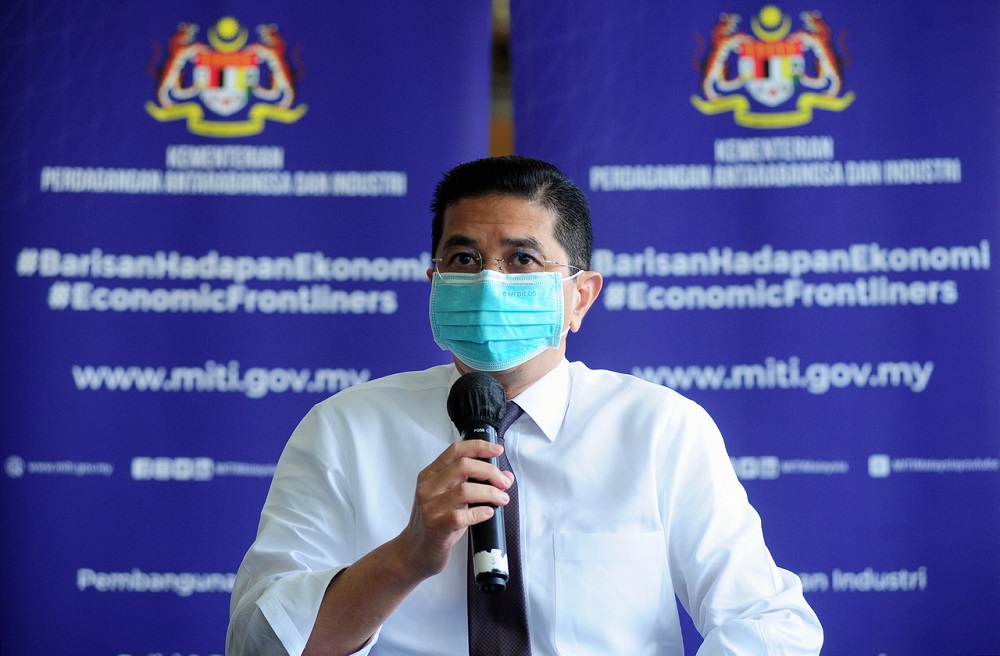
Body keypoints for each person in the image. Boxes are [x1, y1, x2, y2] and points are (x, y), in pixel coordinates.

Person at [227, 155, 823, 655]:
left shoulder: (660, 428)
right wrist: (405, 558)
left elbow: (769, 624)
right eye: (464, 259)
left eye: (522, 260)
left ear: (580, 298)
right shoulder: (344, 429)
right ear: (435, 283)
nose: (489, 282)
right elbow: (258, 643)